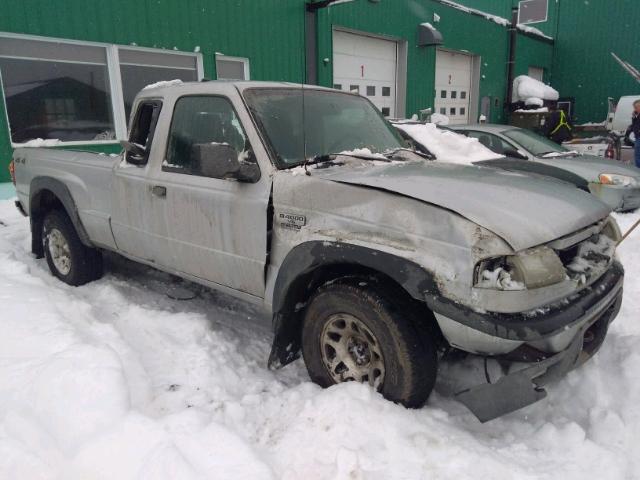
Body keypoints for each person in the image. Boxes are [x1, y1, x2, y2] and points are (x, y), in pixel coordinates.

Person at [624, 99, 640, 168]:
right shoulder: (637, 115)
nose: (635, 109)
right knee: (637, 155)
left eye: (636, 107)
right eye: (634, 107)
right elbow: (635, 125)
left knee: (638, 156)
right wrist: (634, 118)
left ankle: (638, 171)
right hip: (637, 137)